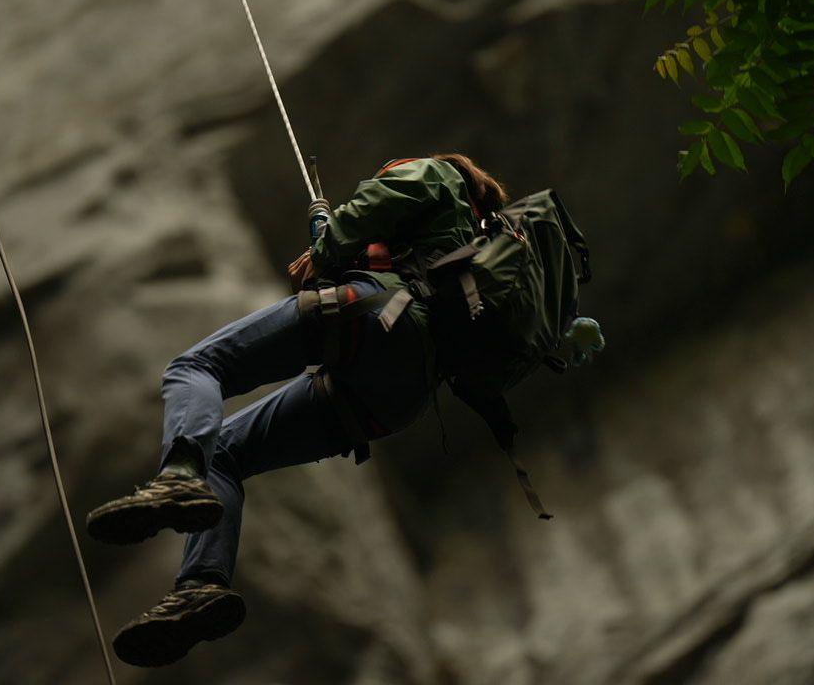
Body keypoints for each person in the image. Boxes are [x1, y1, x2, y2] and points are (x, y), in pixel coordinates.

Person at [84, 154, 513, 667]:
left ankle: (179, 473)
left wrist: (329, 242)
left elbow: (376, 205)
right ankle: (200, 587)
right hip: (397, 395)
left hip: (380, 315)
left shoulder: (438, 174)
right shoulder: (473, 246)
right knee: (224, 455)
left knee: (196, 367)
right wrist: (333, 250)